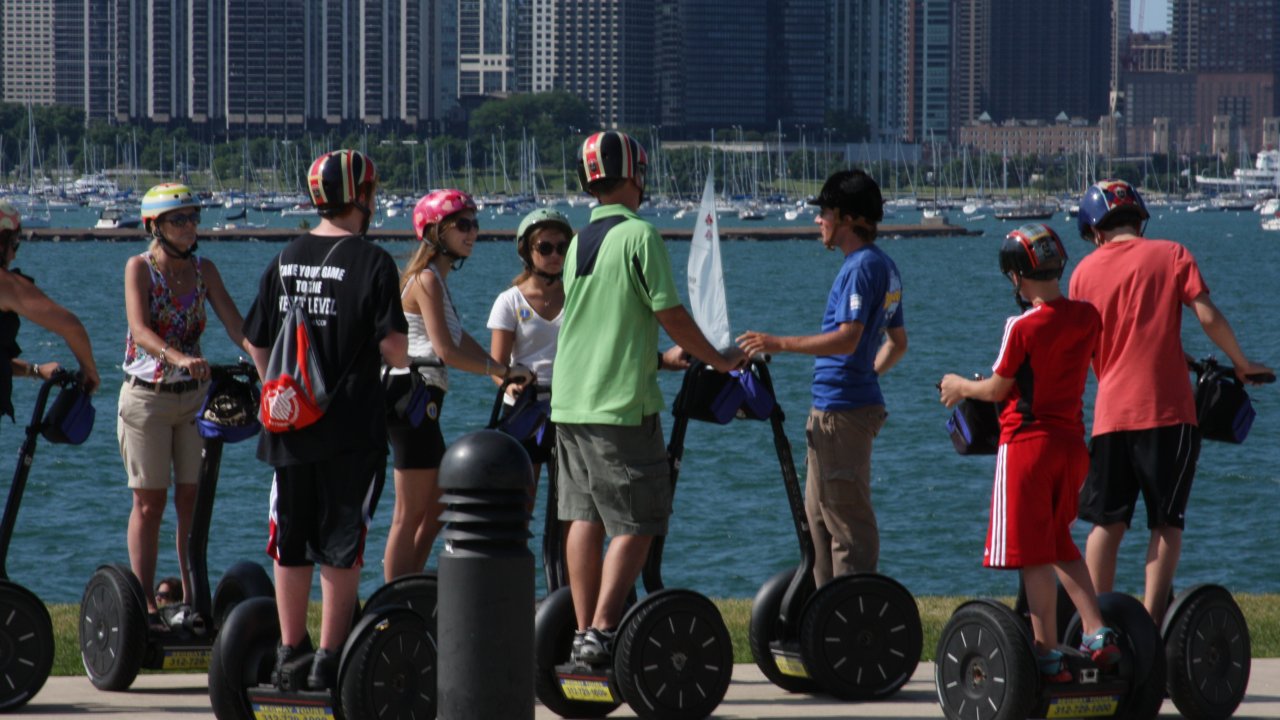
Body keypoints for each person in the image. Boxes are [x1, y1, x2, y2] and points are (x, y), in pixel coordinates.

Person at [551, 130, 745, 666]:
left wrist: (660, 357)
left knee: (584, 517)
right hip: (619, 406)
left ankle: (583, 630)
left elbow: (604, 323)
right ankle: (605, 631)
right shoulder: (641, 236)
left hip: (570, 403)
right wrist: (720, 358)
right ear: (636, 175)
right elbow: (671, 313)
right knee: (640, 520)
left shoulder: (576, 244)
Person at [1070, 179, 1272, 624]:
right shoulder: (1171, 254)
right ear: (1139, 220)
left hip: (1110, 416)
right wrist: (1240, 363)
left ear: (1097, 231)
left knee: (1107, 523)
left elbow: (1091, 346)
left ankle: (1095, 627)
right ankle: (1149, 625)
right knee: (1165, 522)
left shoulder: (1083, 273)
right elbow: (1206, 315)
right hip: (1167, 412)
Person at [243, 149, 409, 691]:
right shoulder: (373, 261)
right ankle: (330, 659)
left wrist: (280, 389)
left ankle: (291, 651)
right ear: (362, 196)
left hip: (288, 428)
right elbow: (393, 348)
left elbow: (256, 339)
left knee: (289, 540)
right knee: (342, 542)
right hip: (350, 431)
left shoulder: (286, 257)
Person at [938, 224, 1118, 681]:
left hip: (1027, 447)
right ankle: (1097, 632)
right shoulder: (1088, 316)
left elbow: (999, 388)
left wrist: (960, 386)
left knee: (1032, 554)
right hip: (1072, 448)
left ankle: (1046, 651)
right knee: (1059, 541)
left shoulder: (1020, 326)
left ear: (1018, 276)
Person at [737, 169, 908, 587]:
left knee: (846, 525)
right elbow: (897, 342)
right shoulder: (882, 266)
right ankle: (823, 617)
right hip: (839, 409)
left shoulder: (861, 267)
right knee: (818, 522)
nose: (818, 221)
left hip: (842, 415)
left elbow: (848, 339)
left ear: (847, 218)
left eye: (825, 212)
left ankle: (853, 618)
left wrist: (778, 343)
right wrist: (867, 376)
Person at [381, 189, 533, 582]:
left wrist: (502, 372)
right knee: (409, 512)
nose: (473, 233)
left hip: (425, 401)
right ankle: (393, 600)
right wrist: (494, 371)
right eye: (462, 225)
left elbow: (458, 336)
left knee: (435, 508)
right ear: (435, 231)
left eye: (475, 224)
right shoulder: (426, 280)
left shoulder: (436, 281)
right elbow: (446, 351)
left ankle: (409, 585)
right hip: (411, 398)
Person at [120, 183, 248, 622]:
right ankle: (144, 603)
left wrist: (268, 360)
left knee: (192, 500)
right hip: (147, 400)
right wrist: (179, 358)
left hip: (193, 399)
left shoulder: (203, 270)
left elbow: (235, 324)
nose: (190, 226)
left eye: (194, 218)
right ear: (154, 226)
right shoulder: (139, 268)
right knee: (149, 503)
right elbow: (140, 331)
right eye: (180, 219)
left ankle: (194, 597)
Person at [487, 207, 572, 502]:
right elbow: (497, 366)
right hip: (525, 409)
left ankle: (563, 551)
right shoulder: (509, 301)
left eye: (562, 247)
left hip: (570, 408)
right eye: (545, 247)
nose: (555, 255)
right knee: (522, 499)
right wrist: (509, 385)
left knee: (572, 506)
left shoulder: (578, 297)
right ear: (527, 251)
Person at [0, 200, 99, 407]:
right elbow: (71, 327)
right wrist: (89, 372)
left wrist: (35, 370)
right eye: (14, 242)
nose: (15, 254)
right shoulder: (5, 284)